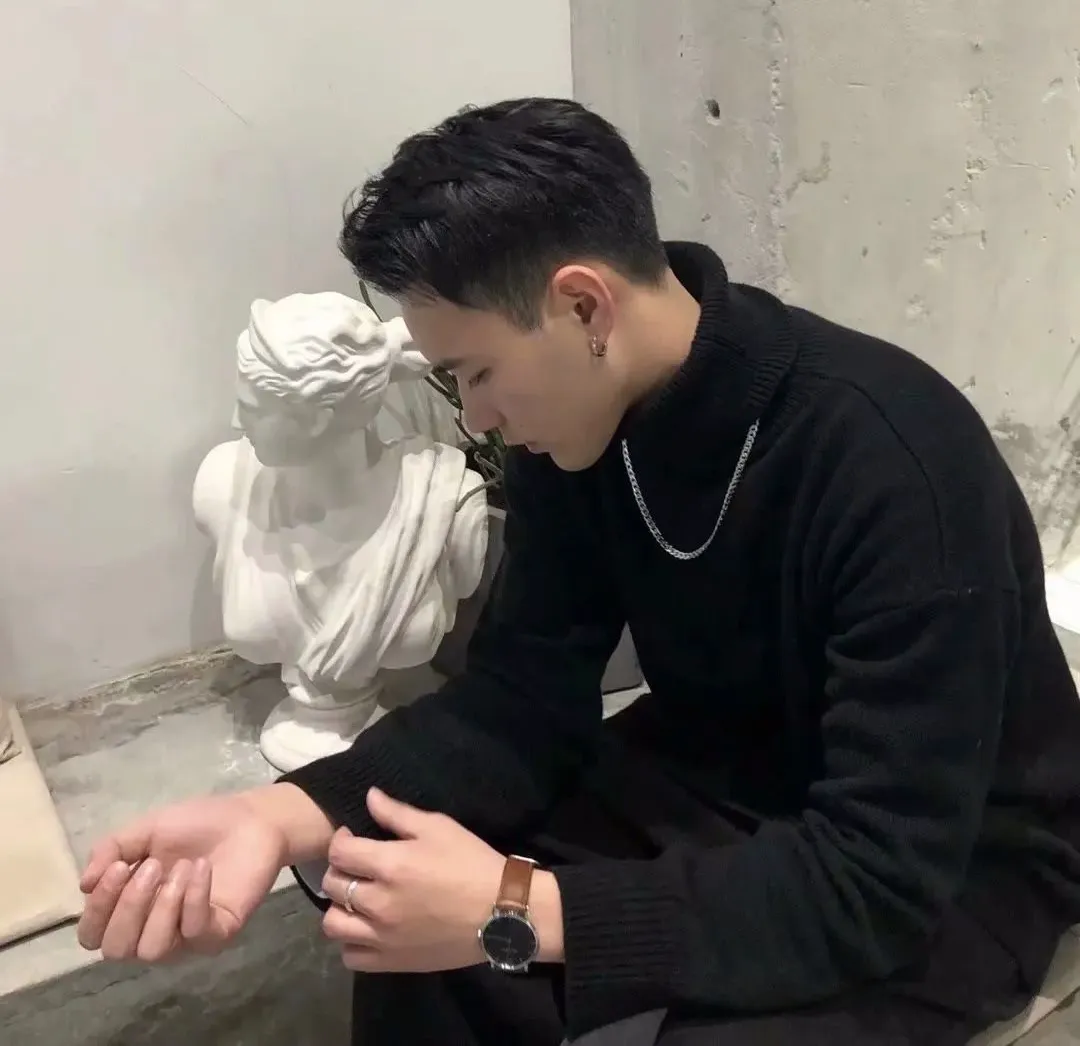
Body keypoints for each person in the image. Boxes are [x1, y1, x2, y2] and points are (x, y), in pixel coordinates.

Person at [77, 97, 1080, 1046]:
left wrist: (516, 907)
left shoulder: (897, 463)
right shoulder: (577, 429)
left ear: (584, 305)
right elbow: (518, 699)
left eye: (475, 372)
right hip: (712, 776)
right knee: (403, 924)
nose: (475, 416)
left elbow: (879, 877)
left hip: (948, 862)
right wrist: (272, 815)